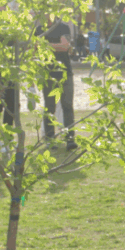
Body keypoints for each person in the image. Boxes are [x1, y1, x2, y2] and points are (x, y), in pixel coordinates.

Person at [37, 17, 79, 150]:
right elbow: (35, 48)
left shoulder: (63, 27)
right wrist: (53, 46)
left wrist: (45, 45)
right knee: (49, 108)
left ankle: (70, 139)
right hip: (47, 74)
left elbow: (64, 46)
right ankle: (50, 139)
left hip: (65, 73)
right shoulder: (39, 30)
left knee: (67, 106)